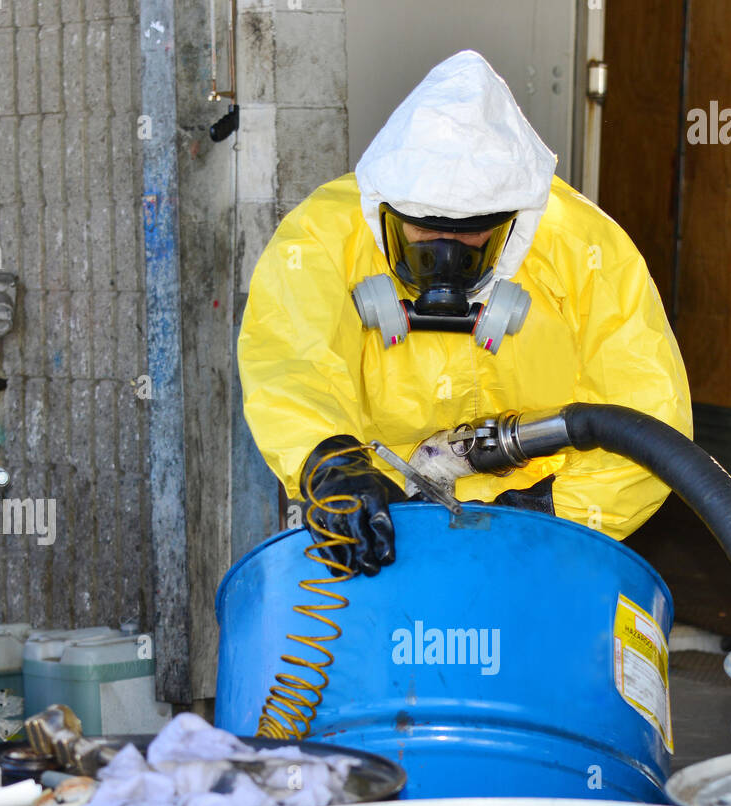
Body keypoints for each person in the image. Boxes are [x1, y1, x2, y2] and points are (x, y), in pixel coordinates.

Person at [237, 49, 692, 575]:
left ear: (516, 222)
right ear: (383, 209)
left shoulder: (585, 249)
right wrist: (331, 464)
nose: (445, 251)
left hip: (540, 539)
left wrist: (544, 514)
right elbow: (291, 366)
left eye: (472, 230)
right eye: (425, 227)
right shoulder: (322, 238)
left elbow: (651, 420)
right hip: (383, 521)